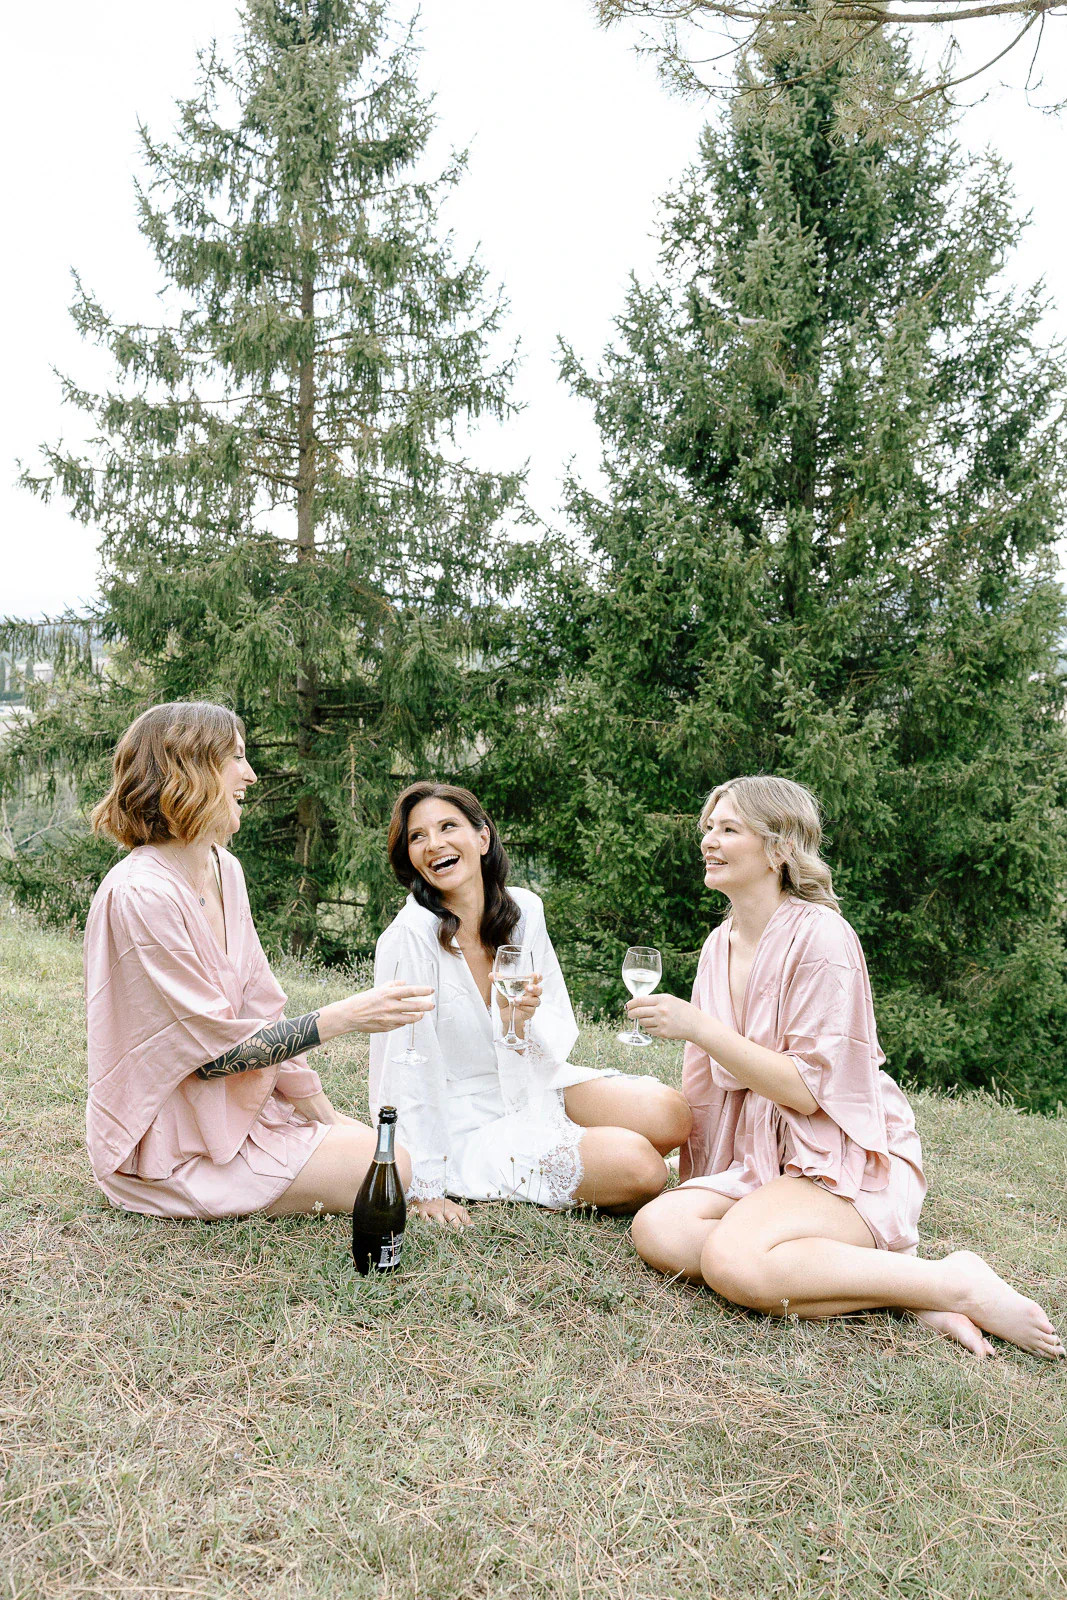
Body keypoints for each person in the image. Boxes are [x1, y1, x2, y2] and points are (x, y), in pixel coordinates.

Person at [628, 775, 1064, 1361]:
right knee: (659, 1229)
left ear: (779, 849)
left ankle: (955, 1281)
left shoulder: (823, 937)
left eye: (729, 829)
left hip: (836, 1155)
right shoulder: (718, 944)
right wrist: (707, 1166)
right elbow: (710, 1087)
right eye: (709, 827)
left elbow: (808, 1093)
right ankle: (901, 1290)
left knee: (733, 1261)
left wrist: (699, 1026)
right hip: (759, 1156)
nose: (709, 840)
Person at [84, 701, 434, 1221]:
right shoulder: (142, 894)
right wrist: (345, 1016)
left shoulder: (224, 867)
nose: (250, 775)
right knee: (393, 1166)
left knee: (387, 1153)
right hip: (169, 1144)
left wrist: (324, 1117)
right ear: (189, 769)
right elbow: (213, 1058)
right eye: (236, 758)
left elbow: (262, 1009)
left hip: (238, 1113)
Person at [370, 782, 692, 1226]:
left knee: (671, 1114)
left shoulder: (523, 911)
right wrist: (423, 1184)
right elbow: (403, 1067)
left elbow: (554, 1029)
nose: (434, 844)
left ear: (482, 838)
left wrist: (517, 1023)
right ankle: (600, 1160)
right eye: (417, 836)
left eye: (448, 827)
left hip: (530, 1083)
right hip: (462, 1120)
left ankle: (593, 1149)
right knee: (642, 1168)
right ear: (408, 857)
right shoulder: (409, 937)